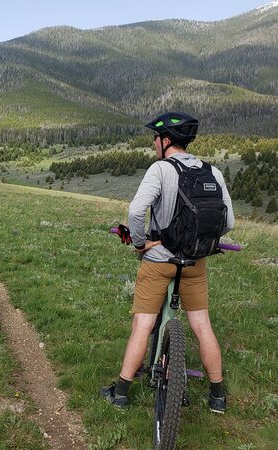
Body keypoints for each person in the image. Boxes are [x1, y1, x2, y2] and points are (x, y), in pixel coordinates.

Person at [99, 112, 235, 413]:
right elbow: (229, 221)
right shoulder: (212, 172)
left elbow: (136, 212)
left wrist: (140, 244)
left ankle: (120, 392)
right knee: (202, 325)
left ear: (166, 141)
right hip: (194, 263)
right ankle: (217, 397)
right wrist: (201, 243)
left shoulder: (160, 169)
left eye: (155, 138)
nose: (153, 142)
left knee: (142, 323)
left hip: (159, 260)